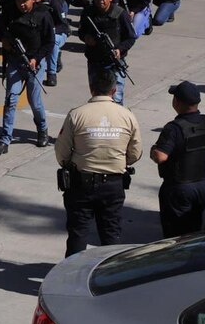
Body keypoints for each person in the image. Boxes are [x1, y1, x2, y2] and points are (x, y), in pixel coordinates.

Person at [55, 69, 142, 257]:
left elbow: (61, 153)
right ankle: (109, 280)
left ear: (91, 88)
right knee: (111, 236)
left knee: (78, 235)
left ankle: (71, 279)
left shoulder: (77, 114)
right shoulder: (127, 115)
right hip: (113, 184)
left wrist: (76, 162)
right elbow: (135, 153)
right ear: (114, 90)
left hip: (81, 184)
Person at [0, 0, 54, 156]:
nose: (22, 4)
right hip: (14, 61)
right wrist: (3, 39)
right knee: (11, 98)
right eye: (19, 0)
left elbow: (49, 42)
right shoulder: (10, 11)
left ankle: (42, 129)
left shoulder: (43, 15)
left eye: (25, 1)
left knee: (34, 100)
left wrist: (36, 58)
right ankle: (4, 140)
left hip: (35, 64)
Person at [151, 81, 205, 238]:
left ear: (176, 102)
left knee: (175, 235)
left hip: (178, 190)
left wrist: (153, 150)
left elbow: (161, 156)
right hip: (201, 186)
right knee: (196, 231)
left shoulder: (173, 128)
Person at [78, 0, 136, 105]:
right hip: (95, 61)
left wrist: (119, 49)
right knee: (96, 97)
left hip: (113, 63)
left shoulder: (120, 14)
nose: (100, 0)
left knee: (116, 98)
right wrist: (86, 38)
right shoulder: (88, 12)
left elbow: (131, 37)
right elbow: (81, 32)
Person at [34, 0, 68, 87]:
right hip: (39, 34)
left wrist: (51, 31)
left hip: (58, 33)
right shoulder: (31, 3)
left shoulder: (54, 3)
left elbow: (63, 25)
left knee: (53, 43)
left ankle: (51, 74)